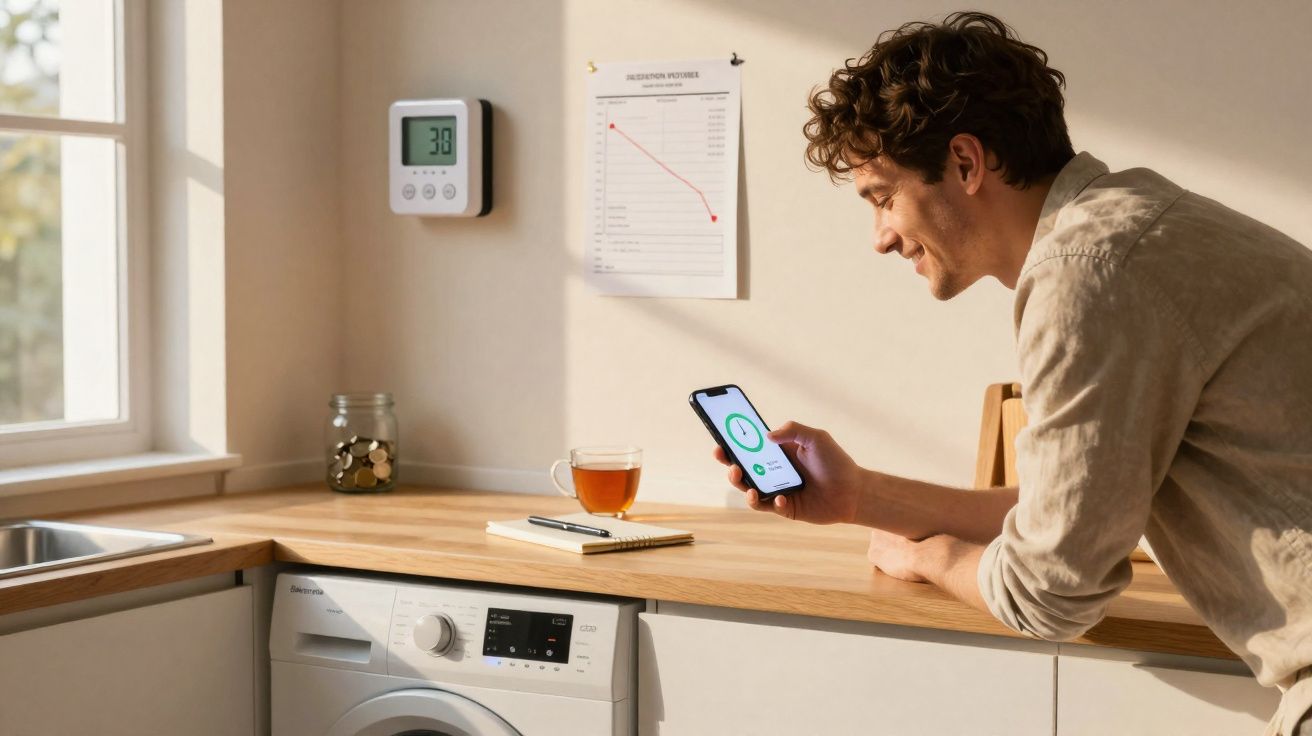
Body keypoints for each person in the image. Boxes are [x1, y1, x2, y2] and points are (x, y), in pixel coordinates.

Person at [712, 11, 1312, 735]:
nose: (880, 238)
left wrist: (935, 559)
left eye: (884, 198)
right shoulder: (1138, 226)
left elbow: (1049, 593)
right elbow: (1066, 516)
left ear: (966, 162)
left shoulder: (1085, 275)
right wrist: (860, 496)